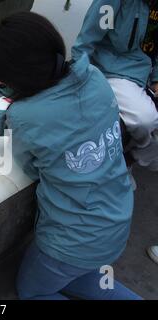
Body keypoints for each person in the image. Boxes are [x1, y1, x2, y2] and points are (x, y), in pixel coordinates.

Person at [0, 11, 142, 299]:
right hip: (118, 219)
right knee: (81, 278)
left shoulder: (25, 116)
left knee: (31, 292)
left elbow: (31, 169)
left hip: (71, 241)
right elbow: (62, 120)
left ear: (16, 77)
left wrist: (12, 120)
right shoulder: (93, 77)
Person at [72, 0, 158, 267]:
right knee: (145, 118)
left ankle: (128, 164)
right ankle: (131, 161)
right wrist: (83, 84)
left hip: (144, 73)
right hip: (110, 72)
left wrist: (156, 79)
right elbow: (84, 45)